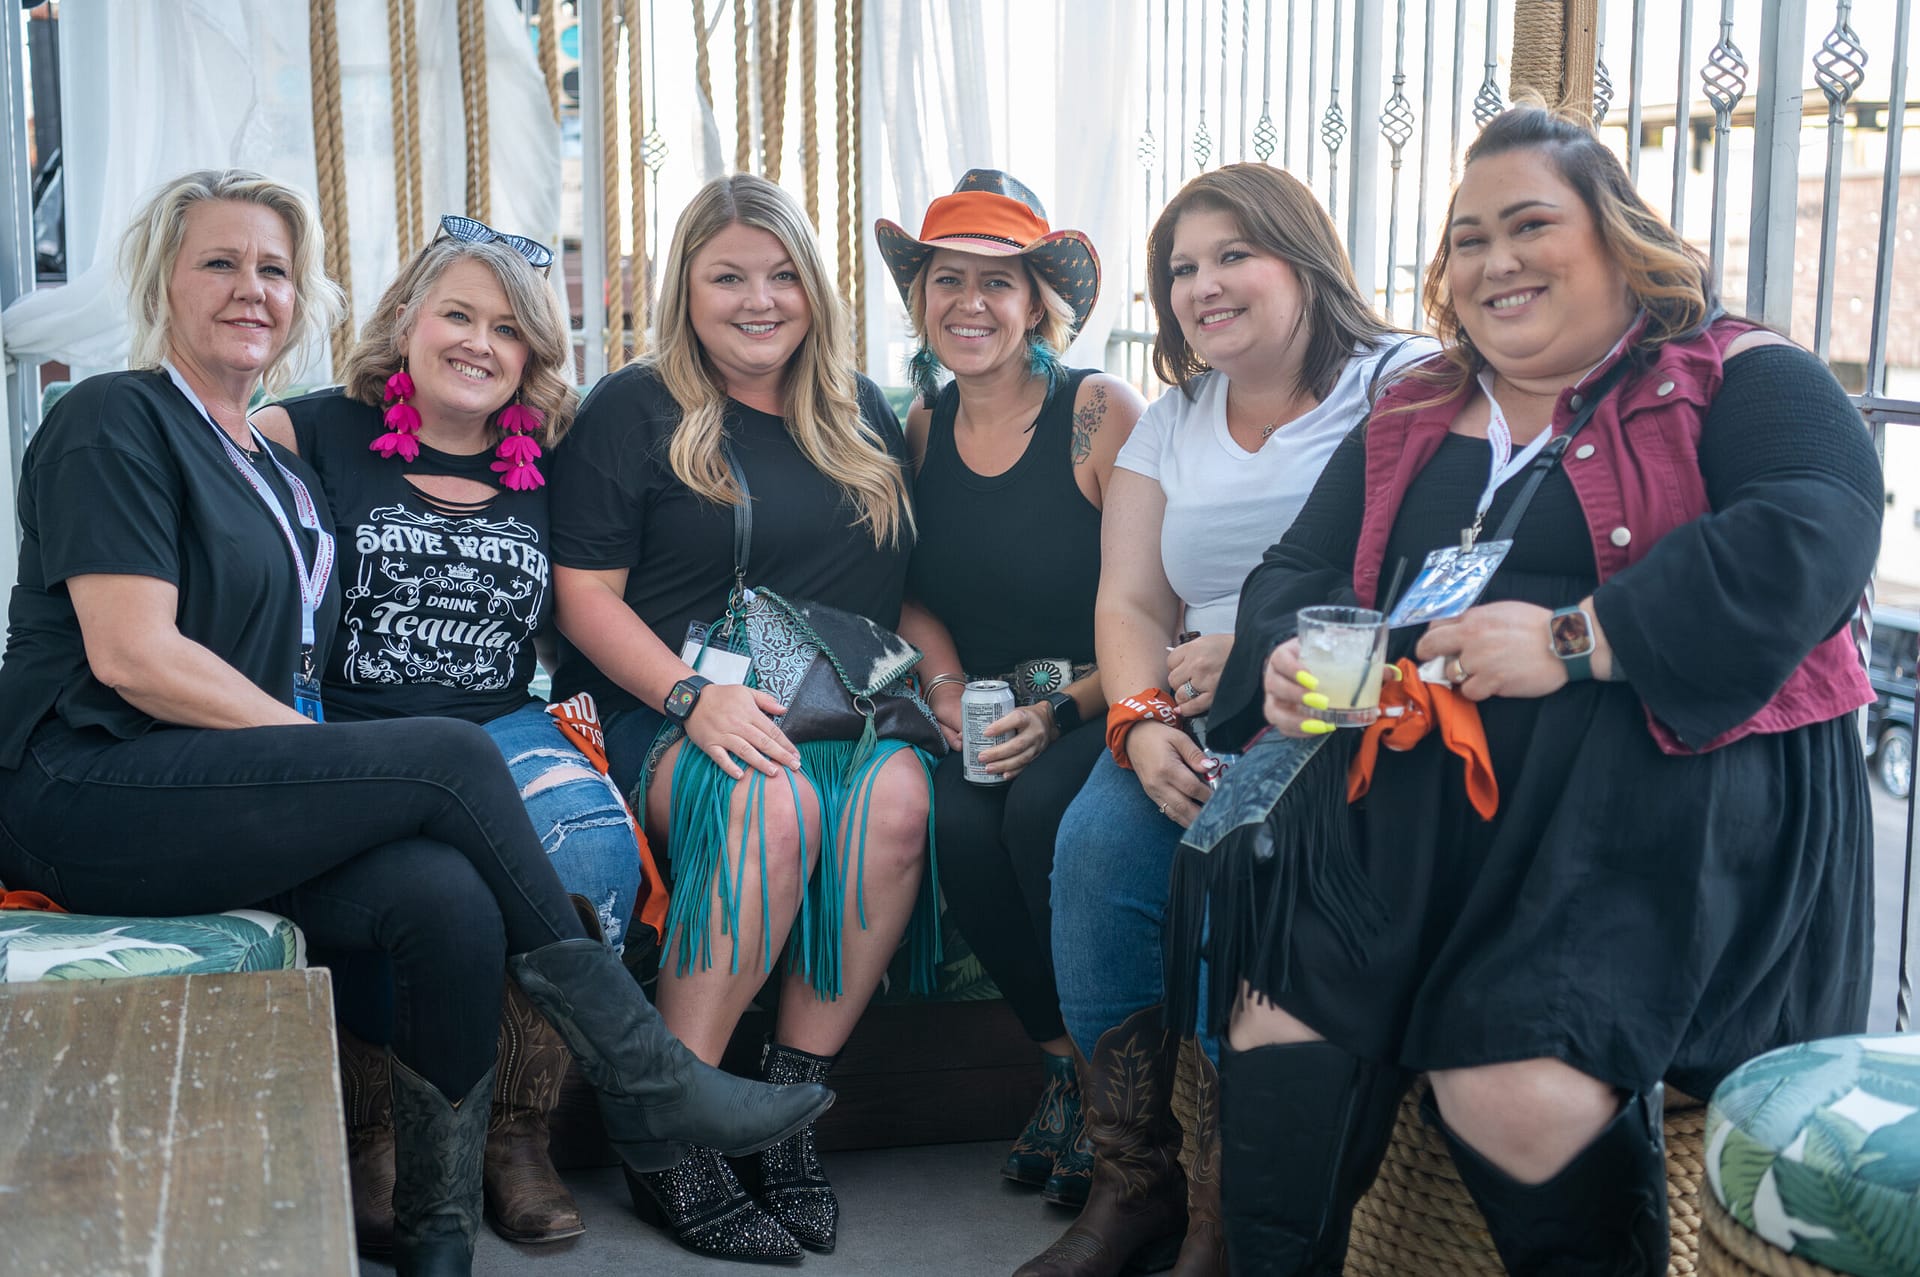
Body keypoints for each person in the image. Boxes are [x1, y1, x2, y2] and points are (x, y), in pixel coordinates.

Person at [0, 169, 829, 1277]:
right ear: (163, 280)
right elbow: (132, 655)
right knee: (446, 754)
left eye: (275, 269)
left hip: (204, 786)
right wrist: (328, 752)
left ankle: (440, 1238)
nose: (252, 288)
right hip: (83, 784)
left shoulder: (258, 456)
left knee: (446, 902)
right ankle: (649, 1074)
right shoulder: (114, 416)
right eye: (221, 263)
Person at [1200, 102, 1879, 1275]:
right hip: (1409, 818)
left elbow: (1816, 532)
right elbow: (1297, 570)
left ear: (1618, 234)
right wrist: (1283, 654)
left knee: (1516, 1088)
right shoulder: (1414, 406)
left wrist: (1580, 636)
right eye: (1468, 238)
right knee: (1281, 1038)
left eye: (1529, 225)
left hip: (1655, 822)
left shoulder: (1742, 372)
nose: (1495, 260)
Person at [1020, 163, 1432, 1277]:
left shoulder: (1402, 382)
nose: (1202, 285)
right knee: (1095, 847)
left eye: (1232, 255)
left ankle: (1221, 1209)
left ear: (1303, 256)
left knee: (1237, 867)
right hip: (1184, 707)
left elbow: (1420, 571)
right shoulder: (1173, 421)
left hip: (1330, 700)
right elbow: (1129, 601)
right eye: (1181, 268)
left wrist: (1250, 653)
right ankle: (1134, 1178)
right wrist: (1139, 722)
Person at [550, 172, 933, 1263]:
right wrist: (690, 695)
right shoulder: (635, 407)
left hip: (832, 707)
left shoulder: (858, 409)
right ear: (687, 288)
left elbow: (893, 594)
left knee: (900, 802)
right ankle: (670, 1123)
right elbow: (583, 595)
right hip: (671, 706)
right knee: (772, 805)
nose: (758, 300)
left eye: (780, 276)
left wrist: (947, 690)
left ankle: (784, 1112)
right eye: (728, 277)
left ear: (813, 287)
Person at [253, 219, 643, 1250]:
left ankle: (515, 1129)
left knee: (593, 848)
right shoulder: (304, 432)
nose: (480, 342)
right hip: (347, 721)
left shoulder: (553, 459)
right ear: (406, 320)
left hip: (500, 719)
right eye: (458, 314)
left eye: (508, 329)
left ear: (532, 355)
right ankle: (379, 1129)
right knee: (396, 869)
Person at [872, 170, 1145, 1207]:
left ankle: (1120, 1103)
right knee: (954, 821)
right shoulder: (922, 425)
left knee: (1038, 816)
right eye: (948, 279)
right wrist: (945, 688)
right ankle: (1064, 1070)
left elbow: (1150, 596)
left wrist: (1064, 708)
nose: (970, 303)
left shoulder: (1098, 412)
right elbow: (911, 587)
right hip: (984, 708)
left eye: (998, 281)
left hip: (1101, 694)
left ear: (1038, 302)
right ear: (922, 298)